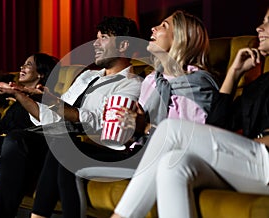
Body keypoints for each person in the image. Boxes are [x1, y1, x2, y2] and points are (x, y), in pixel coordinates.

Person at [36, 10, 219, 218]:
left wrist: (145, 128)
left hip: (160, 158)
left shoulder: (195, 82)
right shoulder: (152, 80)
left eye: (164, 26)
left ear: (181, 38)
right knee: (62, 145)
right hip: (133, 150)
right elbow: (136, 128)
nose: (153, 28)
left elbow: (190, 139)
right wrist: (129, 124)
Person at [111, 7, 269, 218]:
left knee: (171, 130)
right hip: (252, 162)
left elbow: (209, 133)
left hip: (261, 156)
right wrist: (234, 73)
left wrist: (247, 146)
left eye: (268, 22)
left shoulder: (198, 81)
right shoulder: (258, 85)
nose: (259, 27)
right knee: (172, 164)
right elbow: (218, 127)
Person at [0, 16, 142, 218]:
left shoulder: (132, 84)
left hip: (84, 143)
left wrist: (51, 100)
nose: (95, 43)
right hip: (55, 136)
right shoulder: (87, 76)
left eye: (103, 38)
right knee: (17, 138)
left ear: (124, 45)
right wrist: (19, 94)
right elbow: (49, 116)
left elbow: (101, 123)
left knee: (25, 140)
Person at [0, 53, 59, 218]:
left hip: (22, 148)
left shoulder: (45, 99)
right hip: (6, 142)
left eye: (28, 65)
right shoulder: (18, 100)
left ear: (41, 74)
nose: (21, 68)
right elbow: (0, 128)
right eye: (23, 64)